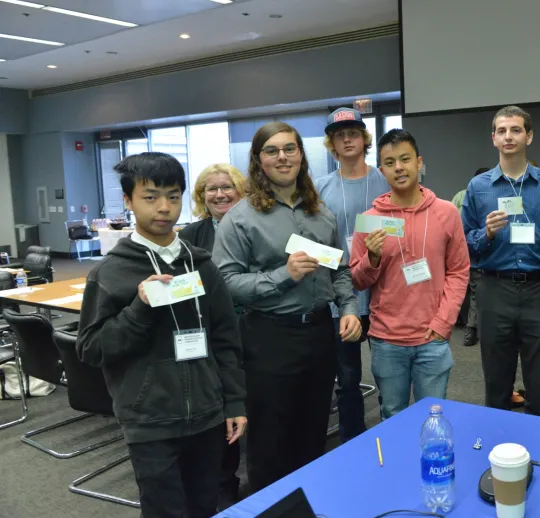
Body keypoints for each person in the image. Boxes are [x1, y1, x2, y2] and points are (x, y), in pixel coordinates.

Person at [76, 152, 247, 518]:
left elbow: (226, 340)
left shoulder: (202, 264)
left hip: (206, 413)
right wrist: (140, 308)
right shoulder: (110, 273)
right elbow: (91, 349)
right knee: (165, 511)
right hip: (150, 419)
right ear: (128, 201)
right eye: (150, 197)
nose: (164, 207)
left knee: (204, 505)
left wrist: (233, 402)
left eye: (173, 195)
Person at [212, 121, 361, 491]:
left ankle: (309, 504)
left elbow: (339, 270)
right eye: (272, 151)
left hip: (318, 335)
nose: (283, 157)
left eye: (290, 149)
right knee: (270, 439)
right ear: (258, 160)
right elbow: (225, 284)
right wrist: (283, 274)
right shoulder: (240, 219)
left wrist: (349, 308)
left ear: (301, 155)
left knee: (313, 431)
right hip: (268, 339)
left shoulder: (320, 214)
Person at [350, 129, 469, 418]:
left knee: (435, 416)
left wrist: (444, 322)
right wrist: (373, 257)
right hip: (386, 339)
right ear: (382, 171)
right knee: (392, 414)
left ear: (419, 162)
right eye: (390, 163)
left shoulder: (446, 213)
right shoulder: (369, 219)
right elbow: (357, 278)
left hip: (432, 338)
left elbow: (459, 271)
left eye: (405, 159)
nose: (399, 168)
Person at [461, 105, 540, 417]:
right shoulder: (478, 187)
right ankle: (498, 447)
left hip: (539, 289)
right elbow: (464, 243)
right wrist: (486, 235)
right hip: (494, 289)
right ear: (494, 138)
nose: (509, 136)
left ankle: (539, 445)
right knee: (496, 378)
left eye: (516, 130)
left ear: (529, 136)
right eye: (502, 131)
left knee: (538, 379)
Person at [313, 108, 391, 442]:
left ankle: (391, 434)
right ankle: (352, 441)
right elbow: (310, 241)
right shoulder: (318, 188)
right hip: (340, 300)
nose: (347, 139)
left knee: (389, 375)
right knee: (346, 379)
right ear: (332, 143)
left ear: (364, 139)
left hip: (384, 294)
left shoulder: (386, 181)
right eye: (339, 135)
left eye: (353, 133)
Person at [177, 163, 247, 505]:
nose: (219, 194)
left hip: (253, 330)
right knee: (222, 406)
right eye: (211, 189)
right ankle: (225, 480)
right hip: (210, 335)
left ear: (240, 190)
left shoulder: (252, 223)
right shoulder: (192, 234)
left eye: (226, 187)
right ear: (202, 196)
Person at [452, 167, 490, 347]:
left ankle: (471, 328)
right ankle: (469, 326)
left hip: (480, 251)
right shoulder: (461, 196)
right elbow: (452, 221)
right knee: (464, 289)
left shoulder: (492, 196)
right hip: (463, 249)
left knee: (475, 290)